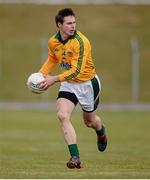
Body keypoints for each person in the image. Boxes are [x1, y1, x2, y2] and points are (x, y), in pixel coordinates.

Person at [39, 8, 107, 169]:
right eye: (69, 23)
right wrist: (41, 75)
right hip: (68, 84)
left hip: (87, 84)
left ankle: (101, 131)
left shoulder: (81, 42)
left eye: (74, 23)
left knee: (89, 121)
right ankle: (75, 157)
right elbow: (52, 58)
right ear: (59, 25)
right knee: (62, 115)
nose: (73, 26)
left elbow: (77, 71)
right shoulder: (52, 42)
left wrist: (53, 79)